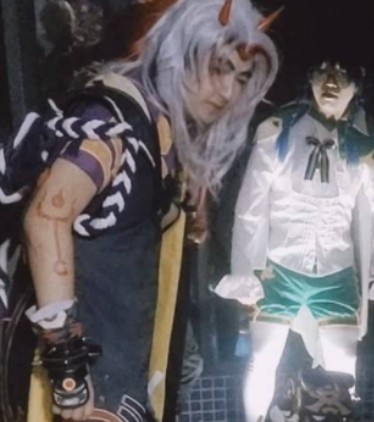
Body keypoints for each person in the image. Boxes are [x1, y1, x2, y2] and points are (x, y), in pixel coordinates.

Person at [17, 0, 279, 420]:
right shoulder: (112, 122)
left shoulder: (159, 124)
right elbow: (46, 218)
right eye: (219, 68)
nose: (228, 91)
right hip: (91, 388)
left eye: (241, 78)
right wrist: (68, 369)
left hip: (125, 370)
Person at [214, 59, 374, 422]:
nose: (332, 81)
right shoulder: (279, 131)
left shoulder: (364, 148)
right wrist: (242, 269)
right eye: (324, 71)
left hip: (337, 273)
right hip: (279, 268)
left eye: (342, 73)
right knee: (262, 361)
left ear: (357, 86)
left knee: (344, 367)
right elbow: (250, 206)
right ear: (310, 78)